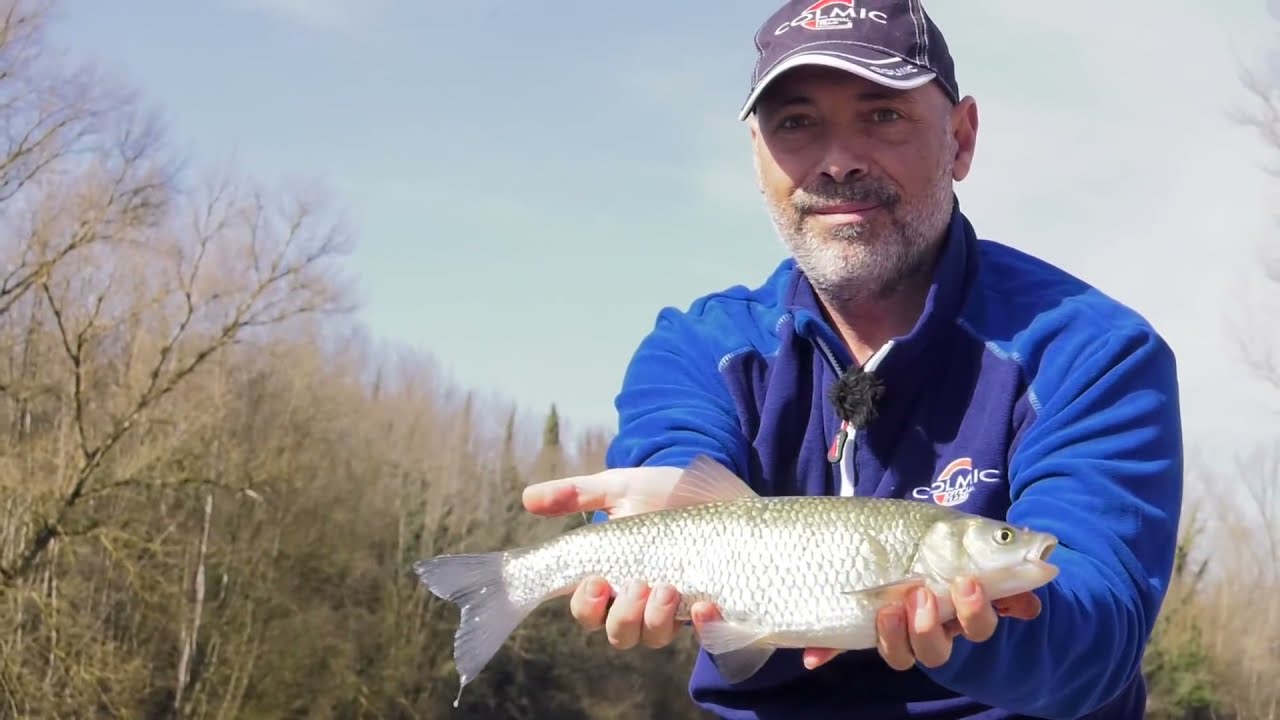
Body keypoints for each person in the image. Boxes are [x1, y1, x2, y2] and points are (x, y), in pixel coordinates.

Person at [521, 0, 1183, 718]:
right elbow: (676, 461)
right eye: (797, 123)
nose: (838, 162)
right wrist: (664, 519)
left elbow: (1098, 629)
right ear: (757, 156)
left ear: (960, 139)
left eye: (883, 115)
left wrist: (969, 625)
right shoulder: (696, 347)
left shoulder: (1094, 352)